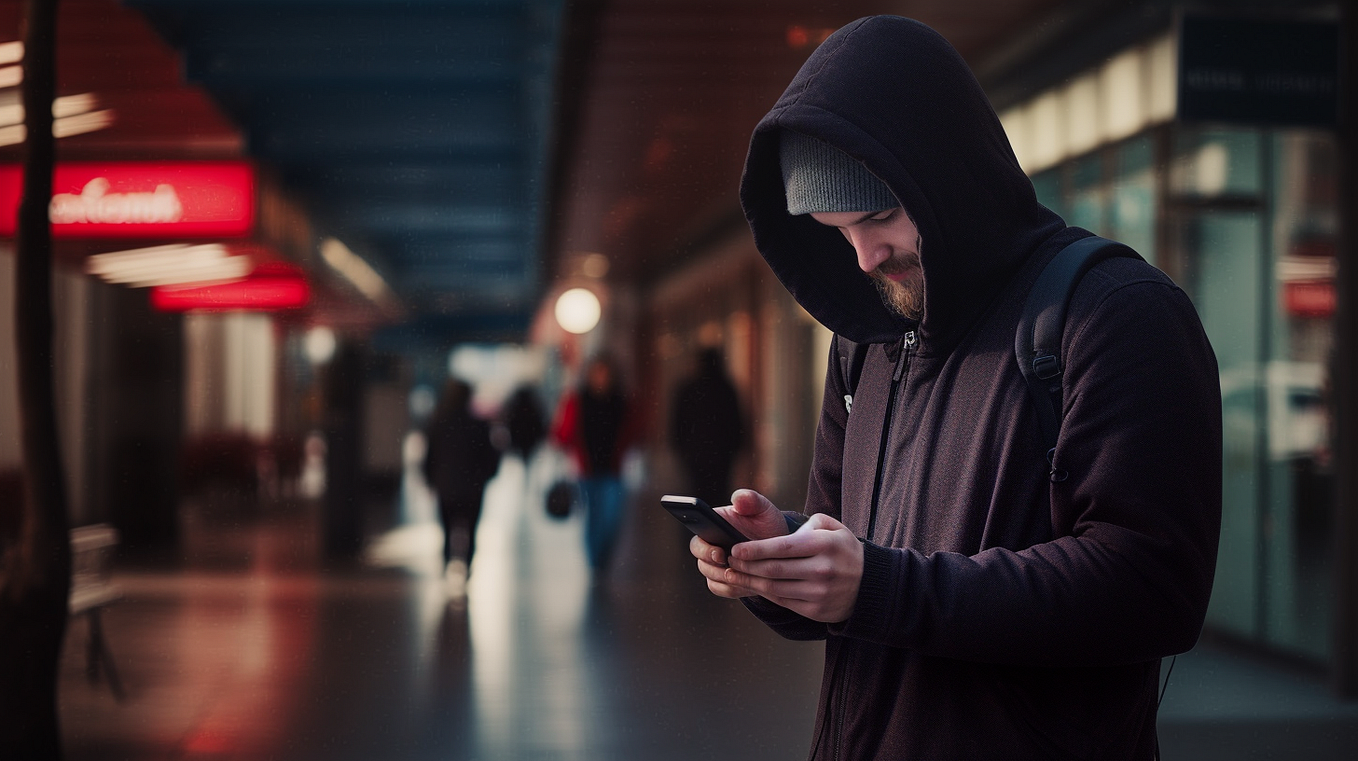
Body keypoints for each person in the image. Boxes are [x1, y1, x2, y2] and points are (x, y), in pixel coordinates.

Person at [687, 16, 1222, 760]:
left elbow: (1153, 587)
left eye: (879, 216)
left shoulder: (1116, 312)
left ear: (945, 176)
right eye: (836, 231)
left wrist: (879, 586)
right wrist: (780, 564)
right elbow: (858, 563)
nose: (866, 256)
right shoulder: (865, 338)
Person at [552, 354, 634, 570]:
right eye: (597, 373)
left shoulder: (620, 401)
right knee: (593, 519)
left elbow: (633, 431)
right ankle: (595, 563)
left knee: (611, 519)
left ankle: (601, 559)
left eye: (605, 373)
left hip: (613, 469)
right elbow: (562, 433)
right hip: (586, 471)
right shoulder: (578, 400)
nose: (601, 378)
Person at [423, 378, 500, 576]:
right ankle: (467, 566)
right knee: (471, 530)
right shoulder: (478, 425)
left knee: (447, 530)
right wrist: (486, 476)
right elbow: (491, 457)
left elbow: (429, 456)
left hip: (446, 486)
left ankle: (447, 563)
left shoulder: (438, 423)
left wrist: (430, 481)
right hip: (473, 488)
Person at [669, 347, 745, 508]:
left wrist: (682, 449)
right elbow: (736, 424)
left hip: (696, 455)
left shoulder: (689, 389)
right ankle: (717, 529)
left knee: (696, 496)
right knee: (718, 497)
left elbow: (678, 424)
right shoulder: (725, 389)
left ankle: (698, 528)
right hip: (720, 455)